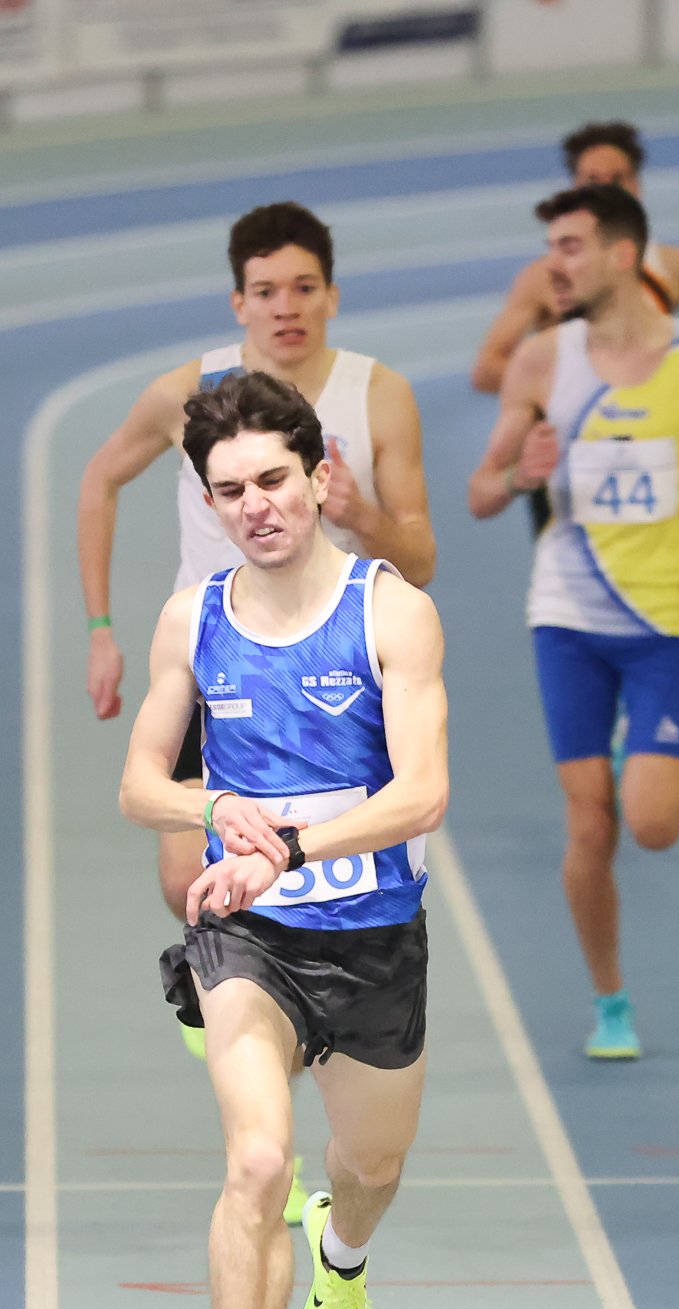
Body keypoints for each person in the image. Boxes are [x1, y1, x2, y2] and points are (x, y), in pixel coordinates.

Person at [119, 371, 450, 1309]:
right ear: (208, 504)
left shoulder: (391, 614)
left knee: (370, 1165)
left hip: (372, 936)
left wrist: (295, 846)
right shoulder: (191, 621)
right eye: (229, 491)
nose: (254, 505)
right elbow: (138, 781)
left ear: (318, 476)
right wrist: (217, 810)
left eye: (272, 479)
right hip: (248, 936)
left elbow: (423, 793)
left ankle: (340, 1257)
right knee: (257, 1158)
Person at [467, 184, 679, 1060]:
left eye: (570, 247)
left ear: (623, 256)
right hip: (566, 618)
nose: (553, 265)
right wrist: (519, 476)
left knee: (653, 826)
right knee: (590, 825)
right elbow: (480, 493)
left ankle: (634, 755)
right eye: (551, 247)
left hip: (660, 623)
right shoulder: (541, 361)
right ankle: (609, 1002)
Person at [79, 201, 438, 938]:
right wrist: (100, 629)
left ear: (332, 297)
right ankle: (237, 978)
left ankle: (295, 982)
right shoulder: (187, 393)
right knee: (186, 878)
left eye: (304, 288)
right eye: (266, 291)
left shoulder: (379, 395)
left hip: (333, 651)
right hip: (217, 656)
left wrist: (363, 516)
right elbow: (100, 482)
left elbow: (421, 560)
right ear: (239, 303)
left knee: (333, 861)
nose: (286, 308)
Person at [470, 120, 679, 398]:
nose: (607, 191)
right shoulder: (543, 277)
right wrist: (571, 390)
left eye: (618, 179)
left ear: (637, 184)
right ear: (575, 188)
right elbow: (487, 370)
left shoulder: (672, 264)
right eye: (593, 181)